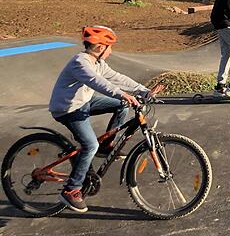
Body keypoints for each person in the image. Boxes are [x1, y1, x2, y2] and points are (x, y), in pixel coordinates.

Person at [50, 26, 164, 213]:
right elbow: (97, 82)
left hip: (84, 102)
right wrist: (122, 94)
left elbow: (116, 77)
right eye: (109, 47)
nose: (111, 51)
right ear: (99, 47)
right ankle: (71, 190)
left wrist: (144, 90)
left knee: (122, 105)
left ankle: (107, 146)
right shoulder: (81, 62)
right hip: (68, 109)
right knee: (90, 145)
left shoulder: (97, 62)